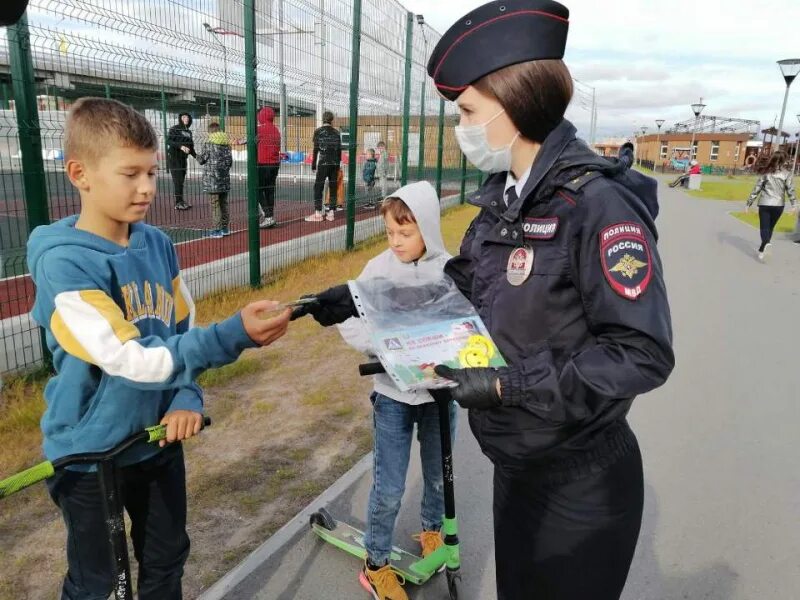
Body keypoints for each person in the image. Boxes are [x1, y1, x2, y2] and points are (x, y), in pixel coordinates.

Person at [420, 3, 675, 598]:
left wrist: (509, 386)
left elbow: (641, 353)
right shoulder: (503, 199)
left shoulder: (597, 206)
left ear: (514, 105)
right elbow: (462, 287)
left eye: (468, 112)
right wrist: (363, 300)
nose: (462, 127)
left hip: (580, 486)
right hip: (516, 469)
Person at [26, 97, 291, 600]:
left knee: (167, 562)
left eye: (151, 171)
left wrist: (186, 396)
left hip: (158, 441)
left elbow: (179, 327)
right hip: (90, 455)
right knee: (99, 583)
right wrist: (232, 335)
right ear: (79, 173)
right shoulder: (64, 265)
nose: (147, 187)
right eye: (130, 174)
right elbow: (129, 357)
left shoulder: (157, 243)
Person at [296, 182, 457, 600]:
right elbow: (351, 318)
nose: (396, 242)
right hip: (393, 398)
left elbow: (464, 323)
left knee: (440, 478)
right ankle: (376, 563)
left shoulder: (450, 269)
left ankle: (433, 532)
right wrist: (382, 345)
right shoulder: (377, 270)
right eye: (390, 233)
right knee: (389, 487)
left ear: (428, 228)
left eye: (406, 233)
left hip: (440, 396)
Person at [745, 150, 797, 260]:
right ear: (784, 161)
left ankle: (766, 244)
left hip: (765, 204)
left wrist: (748, 203)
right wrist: (794, 205)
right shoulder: (787, 174)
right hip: (779, 205)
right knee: (770, 228)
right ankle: (762, 249)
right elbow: (790, 190)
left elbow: (757, 189)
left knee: (764, 227)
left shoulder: (766, 173)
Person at [196, 122, 233, 239]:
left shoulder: (209, 144)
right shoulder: (227, 145)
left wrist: (193, 153)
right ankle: (225, 228)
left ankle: (217, 230)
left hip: (212, 180)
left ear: (210, 132)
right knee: (224, 204)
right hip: (224, 179)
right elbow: (229, 162)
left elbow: (201, 160)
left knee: (215, 205)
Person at [307, 110, 342, 222]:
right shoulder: (337, 133)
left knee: (318, 187)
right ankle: (331, 212)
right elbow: (339, 150)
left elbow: (316, 149)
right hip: (334, 163)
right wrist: (338, 164)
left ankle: (318, 213)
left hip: (323, 163)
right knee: (333, 187)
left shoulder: (318, 131)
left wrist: (313, 165)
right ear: (332, 120)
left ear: (323, 119)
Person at [257, 106, 281, 229]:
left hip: (262, 164)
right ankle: (270, 216)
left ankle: (267, 216)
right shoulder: (276, 130)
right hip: (275, 164)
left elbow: (249, 140)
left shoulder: (259, 130)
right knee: (269, 191)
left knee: (258, 190)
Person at [167, 112, 196, 210]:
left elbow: (191, 148)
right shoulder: (175, 128)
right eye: (184, 117)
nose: (186, 119)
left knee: (181, 181)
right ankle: (178, 203)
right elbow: (169, 141)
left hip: (183, 158)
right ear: (180, 118)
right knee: (178, 180)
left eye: (187, 117)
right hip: (174, 158)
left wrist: (197, 157)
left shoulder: (189, 132)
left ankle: (181, 201)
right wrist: (181, 146)